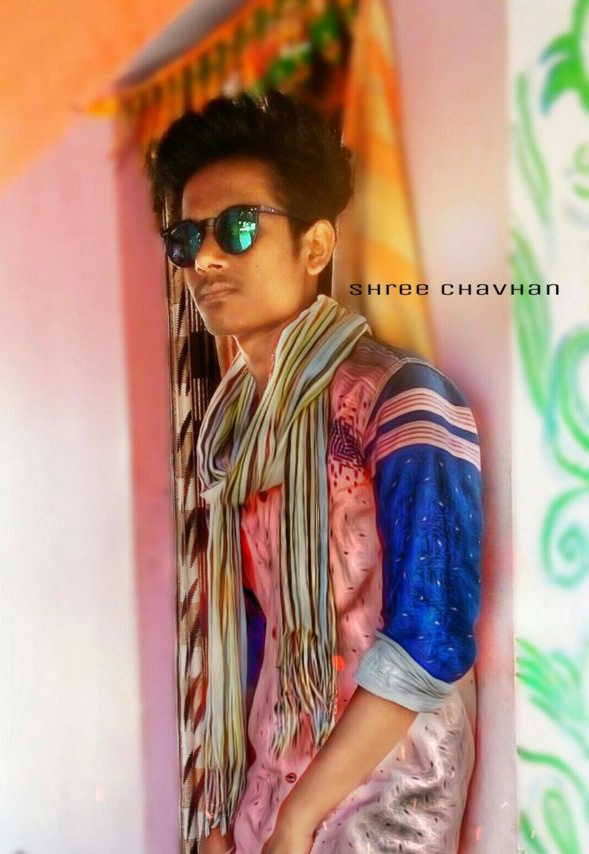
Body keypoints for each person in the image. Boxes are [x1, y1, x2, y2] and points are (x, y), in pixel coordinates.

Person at [148, 89, 483, 854]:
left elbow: (433, 636)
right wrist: (228, 814)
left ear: (316, 247)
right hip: (271, 797)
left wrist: (301, 820)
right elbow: (257, 634)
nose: (205, 259)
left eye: (238, 228)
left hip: (386, 797)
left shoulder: (398, 398)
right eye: (187, 238)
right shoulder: (235, 440)